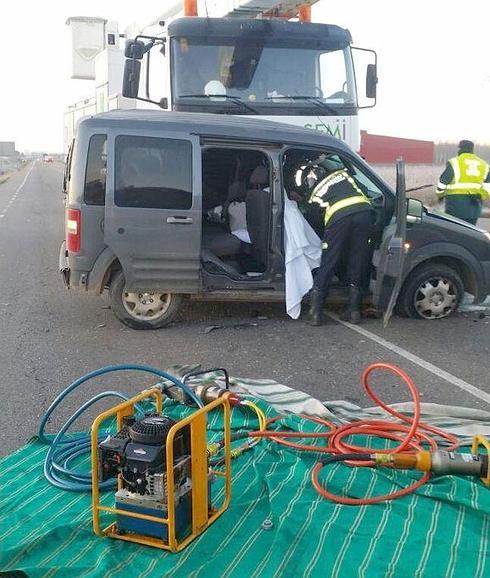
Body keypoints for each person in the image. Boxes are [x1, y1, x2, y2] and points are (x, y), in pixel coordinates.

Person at [306, 160, 374, 326]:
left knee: (329, 260)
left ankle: (315, 313)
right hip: (364, 214)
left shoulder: (315, 193)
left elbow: (316, 221)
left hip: (339, 219)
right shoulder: (344, 175)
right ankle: (354, 311)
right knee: (357, 260)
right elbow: (365, 192)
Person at [436, 140, 490, 225]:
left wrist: (440, 195)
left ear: (461, 149)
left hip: (455, 205)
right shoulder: (484, 165)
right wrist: (480, 195)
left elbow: (442, 183)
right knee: (469, 232)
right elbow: (488, 187)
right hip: (474, 206)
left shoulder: (454, 162)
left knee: (454, 231)